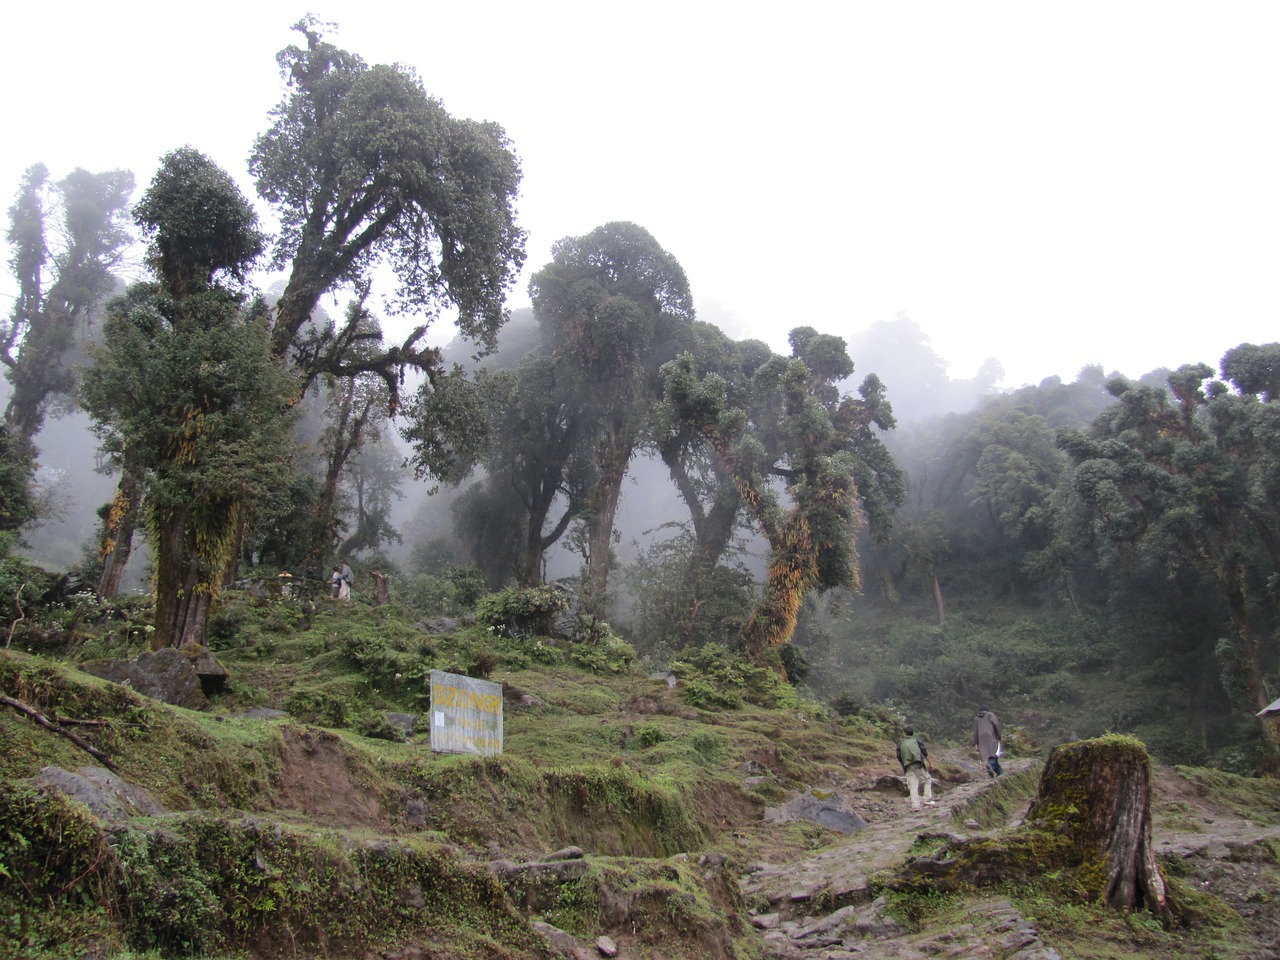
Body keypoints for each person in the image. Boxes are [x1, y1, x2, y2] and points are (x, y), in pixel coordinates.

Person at [896, 725, 935, 810]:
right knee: (927, 779)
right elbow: (925, 753)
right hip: (918, 764)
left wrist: (904, 765)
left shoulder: (900, 743)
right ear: (912, 733)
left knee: (913, 786)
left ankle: (915, 806)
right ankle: (926, 799)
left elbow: (899, 756)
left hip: (908, 766)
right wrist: (931, 763)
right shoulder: (917, 741)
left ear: (904, 733)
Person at [974, 704, 1003, 777]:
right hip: (991, 736)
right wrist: (999, 735)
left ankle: (1000, 772)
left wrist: (976, 742)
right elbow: (996, 724)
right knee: (993, 753)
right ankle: (990, 765)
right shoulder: (990, 714)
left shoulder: (976, 718)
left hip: (981, 738)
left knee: (989, 754)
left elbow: (975, 731)